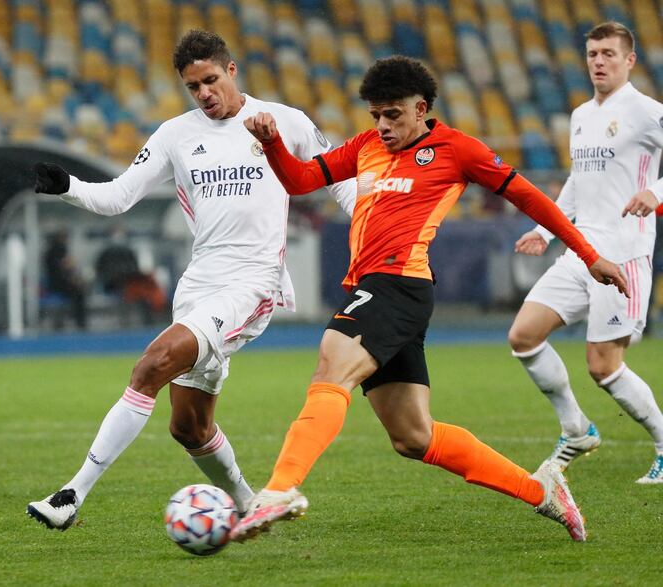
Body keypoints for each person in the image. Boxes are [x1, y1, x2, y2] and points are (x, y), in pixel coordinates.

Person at [230, 55, 629, 544]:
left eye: (393, 115)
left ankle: (278, 491)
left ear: (421, 108)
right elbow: (300, 181)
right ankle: (540, 489)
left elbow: (528, 197)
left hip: (398, 284)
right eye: (375, 115)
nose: (382, 126)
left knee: (330, 367)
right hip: (377, 287)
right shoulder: (365, 147)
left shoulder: (456, 149)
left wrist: (588, 255)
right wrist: (272, 144)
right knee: (413, 437)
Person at [26, 30, 356, 530]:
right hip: (199, 284)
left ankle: (72, 494)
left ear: (232, 71)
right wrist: (67, 186)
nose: (204, 93)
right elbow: (117, 198)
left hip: (253, 282)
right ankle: (250, 505)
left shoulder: (284, 122)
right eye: (192, 86)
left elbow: (344, 187)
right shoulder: (176, 135)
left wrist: (378, 239)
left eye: (210, 80)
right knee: (188, 426)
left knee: (152, 364)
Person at [507, 22, 663, 484]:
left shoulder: (646, 111)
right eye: (593, 53)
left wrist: (656, 192)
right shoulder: (579, 116)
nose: (599, 61)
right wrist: (545, 228)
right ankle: (577, 428)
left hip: (623, 256)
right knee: (524, 335)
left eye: (609, 54)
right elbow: (578, 182)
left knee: (603, 366)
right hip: (581, 251)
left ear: (630, 61)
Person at [43, 230, 88, 330]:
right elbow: (67, 266)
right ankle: (80, 323)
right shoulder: (60, 250)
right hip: (58, 284)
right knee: (79, 293)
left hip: (56, 283)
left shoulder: (49, 251)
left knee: (78, 290)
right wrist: (76, 280)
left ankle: (73, 321)